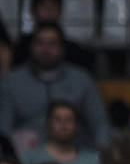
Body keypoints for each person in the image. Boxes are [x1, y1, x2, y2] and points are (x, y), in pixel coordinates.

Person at [0, 22, 107, 150]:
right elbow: (3, 128)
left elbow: (100, 123)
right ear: (31, 47)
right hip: (26, 158)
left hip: (76, 156)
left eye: (52, 43)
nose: (45, 49)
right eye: (40, 43)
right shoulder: (11, 81)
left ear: (62, 48)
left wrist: (101, 155)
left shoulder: (82, 79)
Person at [19, 100, 98, 164]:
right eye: (57, 119)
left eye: (69, 119)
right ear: (48, 124)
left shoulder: (93, 161)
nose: (63, 124)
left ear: (77, 126)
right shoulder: (29, 158)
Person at [12, 0, 95, 71]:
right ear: (33, 11)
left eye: (54, 6)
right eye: (44, 6)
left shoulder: (75, 52)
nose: (49, 11)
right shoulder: (21, 49)